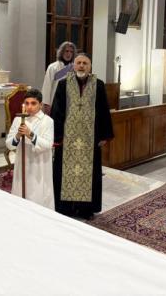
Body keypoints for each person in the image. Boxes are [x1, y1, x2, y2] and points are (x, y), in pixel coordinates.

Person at [50, 53, 114, 219]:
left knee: (89, 174)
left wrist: (104, 135)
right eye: (78, 62)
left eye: (85, 63)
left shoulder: (98, 84)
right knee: (65, 173)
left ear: (90, 67)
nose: (81, 66)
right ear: (73, 65)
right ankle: (65, 208)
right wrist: (57, 136)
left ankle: (85, 209)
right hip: (67, 139)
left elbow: (103, 110)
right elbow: (57, 110)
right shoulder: (63, 84)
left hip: (90, 139)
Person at [5, 88, 54, 209]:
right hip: (23, 163)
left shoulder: (47, 121)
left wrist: (30, 134)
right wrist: (17, 135)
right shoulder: (18, 120)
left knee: (37, 194)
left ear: (40, 105)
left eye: (33, 103)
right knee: (21, 193)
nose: (29, 107)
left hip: (39, 165)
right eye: (26, 103)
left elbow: (48, 144)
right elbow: (9, 144)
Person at [41, 41, 77, 115]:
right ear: (61, 52)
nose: (69, 54)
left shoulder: (75, 68)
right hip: (55, 101)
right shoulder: (53, 67)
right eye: (66, 51)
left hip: (70, 103)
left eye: (71, 52)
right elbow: (47, 86)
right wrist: (46, 104)